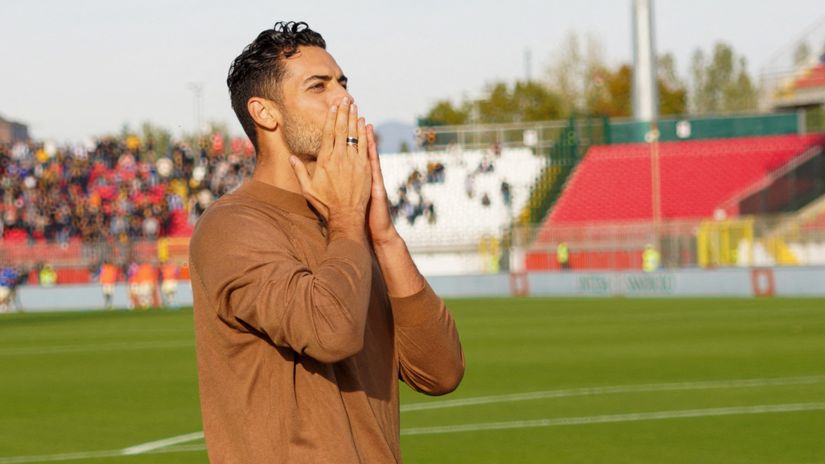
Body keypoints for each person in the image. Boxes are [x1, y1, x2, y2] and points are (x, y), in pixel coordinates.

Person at [189, 21, 464, 463]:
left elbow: (440, 372)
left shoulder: (350, 225)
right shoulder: (233, 226)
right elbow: (329, 333)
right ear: (265, 113)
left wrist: (385, 238)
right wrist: (349, 218)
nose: (344, 99)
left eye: (342, 83)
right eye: (318, 87)